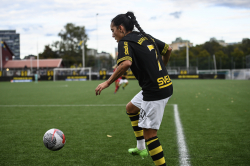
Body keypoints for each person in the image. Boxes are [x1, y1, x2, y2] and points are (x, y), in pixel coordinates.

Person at [95, 11, 173, 166]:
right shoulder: (145, 36)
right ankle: (140, 148)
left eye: (113, 30)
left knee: (150, 135)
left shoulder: (124, 42)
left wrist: (107, 83)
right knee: (131, 108)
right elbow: (168, 49)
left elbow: (125, 64)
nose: (113, 35)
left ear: (121, 28)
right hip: (163, 85)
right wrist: (163, 67)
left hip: (154, 91)